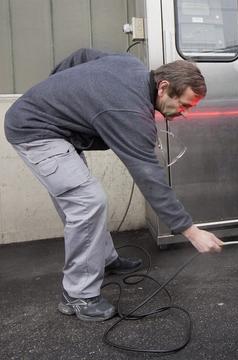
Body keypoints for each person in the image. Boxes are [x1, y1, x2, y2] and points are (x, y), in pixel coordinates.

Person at [4, 48, 224, 322]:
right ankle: (78, 294)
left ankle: (104, 259)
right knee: (87, 201)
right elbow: (150, 178)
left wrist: (56, 89)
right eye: (184, 104)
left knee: (83, 200)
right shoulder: (129, 111)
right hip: (34, 130)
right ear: (164, 86)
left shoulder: (130, 64)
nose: (184, 113)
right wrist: (191, 231)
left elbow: (81, 55)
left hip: (57, 130)